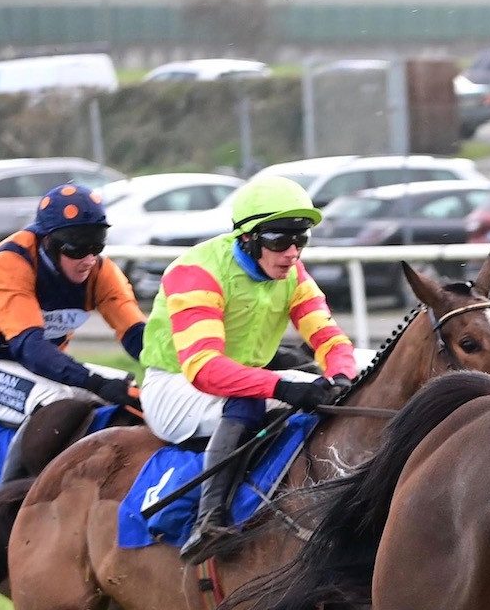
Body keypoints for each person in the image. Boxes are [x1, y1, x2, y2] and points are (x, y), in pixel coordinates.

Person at [138, 176, 359, 562]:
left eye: (301, 240)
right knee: (251, 401)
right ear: (248, 238)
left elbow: (330, 338)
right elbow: (205, 369)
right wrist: (281, 388)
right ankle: (208, 522)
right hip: (175, 386)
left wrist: (341, 375)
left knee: (332, 394)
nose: (292, 252)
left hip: (238, 380)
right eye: (280, 241)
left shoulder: (293, 273)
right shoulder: (197, 272)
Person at [0, 182, 145, 477]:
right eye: (78, 248)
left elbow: (138, 337)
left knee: (134, 393)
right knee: (56, 406)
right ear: (49, 242)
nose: (89, 260)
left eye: (97, 245)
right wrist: (93, 382)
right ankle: (6, 501)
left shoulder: (101, 272)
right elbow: (30, 349)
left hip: (50, 368)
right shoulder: (9, 264)